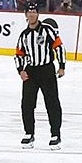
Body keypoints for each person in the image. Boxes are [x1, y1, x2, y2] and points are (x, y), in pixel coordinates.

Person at [15, 8, 66, 147]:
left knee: (52, 102)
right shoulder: (24, 35)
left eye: (34, 12)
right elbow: (18, 54)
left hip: (46, 70)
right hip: (31, 71)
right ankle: (29, 133)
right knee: (27, 103)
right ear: (26, 15)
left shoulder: (46, 30)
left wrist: (61, 66)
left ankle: (55, 134)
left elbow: (59, 47)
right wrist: (20, 70)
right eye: (29, 12)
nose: (32, 14)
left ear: (38, 14)